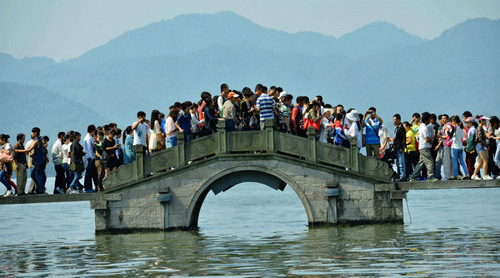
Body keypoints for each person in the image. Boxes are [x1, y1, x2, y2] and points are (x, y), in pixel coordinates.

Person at [16, 127, 47, 194]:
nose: (31, 134)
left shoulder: (37, 141)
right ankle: (40, 188)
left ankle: (41, 190)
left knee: (39, 176)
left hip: (39, 161)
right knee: (33, 175)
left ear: (35, 133)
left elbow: (29, 150)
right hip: (37, 161)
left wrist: (17, 150)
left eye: (32, 133)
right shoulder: (38, 140)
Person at [409, 112, 437, 182]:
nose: (429, 121)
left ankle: (413, 175)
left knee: (421, 163)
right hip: (425, 147)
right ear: (426, 120)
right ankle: (430, 176)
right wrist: (432, 137)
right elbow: (427, 139)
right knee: (430, 161)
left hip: (421, 146)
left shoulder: (421, 126)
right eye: (428, 120)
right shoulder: (425, 128)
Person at [448, 116, 470, 180]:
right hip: (460, 147)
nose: (451, 123)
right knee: (462, 161)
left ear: (454, 121)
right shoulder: (461, 128)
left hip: (454, 147)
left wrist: (447, 130)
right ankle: (467, 174)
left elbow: (450, 135)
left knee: (454, 161)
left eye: (451, 122)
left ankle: (455, 175)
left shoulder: (454, 127)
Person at [391, 114, 407, 181]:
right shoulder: (397, 128)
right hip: (397, 147)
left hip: (400, 147)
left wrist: (402, 148)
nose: (394, 121)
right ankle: (400, 175)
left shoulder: (401, 127)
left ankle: (403, 176)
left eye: (395, 120)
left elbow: (404, 138)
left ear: (398, 120)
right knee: (398, 162)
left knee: (401, 162)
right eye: (393, 120)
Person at [83, 125, 97, 193]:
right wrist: (92, 157)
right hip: (90, 158)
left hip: (91, 157)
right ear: (92, 131)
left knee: (93, 173)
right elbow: (89, 149)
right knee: (89, 174)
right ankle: (87, 187)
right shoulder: (88, 138)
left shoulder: (89, 137)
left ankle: (93, 187)